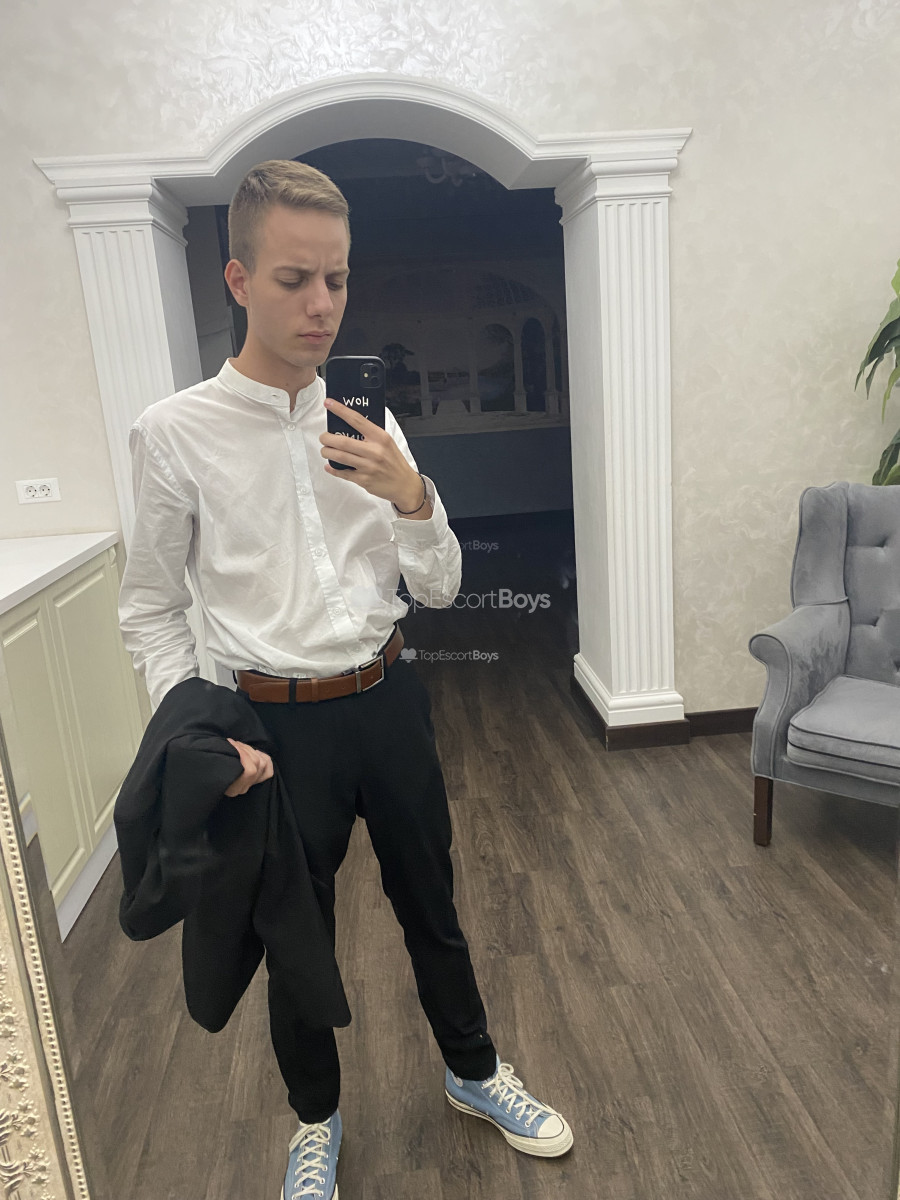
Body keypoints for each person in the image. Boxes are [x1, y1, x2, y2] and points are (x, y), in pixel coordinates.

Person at [117, 158, 573, 1200]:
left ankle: (472, 1071)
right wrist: (199, 735)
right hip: (269, 731)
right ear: (239, 280)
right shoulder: (175, 434)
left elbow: (442, 587)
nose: (322, 304)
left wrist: (415, 498)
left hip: (388, 697)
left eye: (338, 278)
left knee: (433, 904)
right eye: (294, 280)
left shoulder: (375, 423)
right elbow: (149, 607)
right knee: (295, 937)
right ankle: (315, 1120)